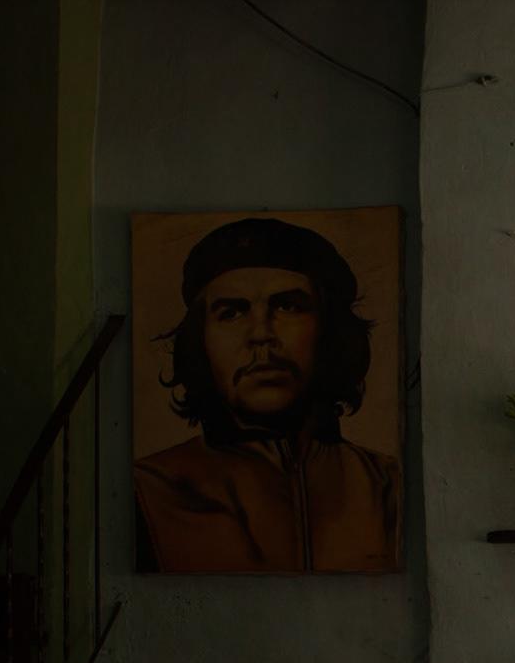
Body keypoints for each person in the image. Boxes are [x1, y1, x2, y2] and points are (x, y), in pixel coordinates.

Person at [134, 216, 402, 572]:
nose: (260, 334)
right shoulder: (149, 490)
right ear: (200, 341)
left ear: (329, 330)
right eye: (231, 312)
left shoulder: (386, 484)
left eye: (287, 307)